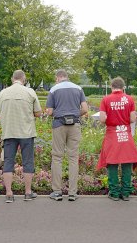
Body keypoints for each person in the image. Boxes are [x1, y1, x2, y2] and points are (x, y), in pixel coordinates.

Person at [0, 70, 42, 203]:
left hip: (9, 132)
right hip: (26, 132)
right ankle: (27, 192)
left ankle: (9, 193)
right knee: (28, 162)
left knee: (8, 162)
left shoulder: (3, 93)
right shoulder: (30, 92)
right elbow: (38, 113)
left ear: (12, 79)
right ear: (24, 79)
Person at [96, 77, 137, 201]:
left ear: (111, 87)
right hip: (125, 134)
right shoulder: (129, 99)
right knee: (127, 162)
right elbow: (132, 119)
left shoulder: (106, 99)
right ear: (123, 87)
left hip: (112, 134)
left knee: (112, 163)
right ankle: (126, 192)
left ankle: (114, 193)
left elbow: (102, 119)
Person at [46, 69, 88, 201]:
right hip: (75, 124)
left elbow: (49, 111)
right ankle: (72, 192)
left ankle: (57, 192)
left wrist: (58, 114)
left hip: (59, 125)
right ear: (67, 77)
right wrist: (75, 114)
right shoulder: (78, 88)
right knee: (73, 158)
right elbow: (85, 109)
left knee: (57, 157)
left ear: (58, 77)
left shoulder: (54, 89)